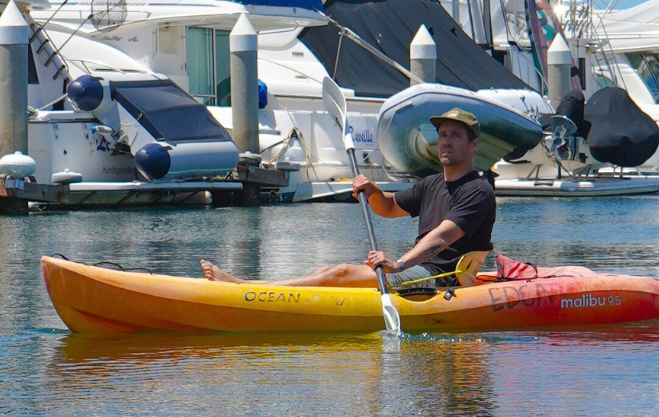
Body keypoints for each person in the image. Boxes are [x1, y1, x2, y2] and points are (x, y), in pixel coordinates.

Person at [200, 108, 497, 289]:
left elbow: (441, 239)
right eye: (442, 134)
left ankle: (246, 288)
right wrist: (372, 192)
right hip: (418, 272)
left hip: (441, 280)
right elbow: (390, 207)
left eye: (455, 136)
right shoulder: (431, 184)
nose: (445, 141)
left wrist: (398, 264)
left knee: (339, 272)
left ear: (473, 145)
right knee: (323, 272)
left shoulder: (478, 191)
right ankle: (261, 288)